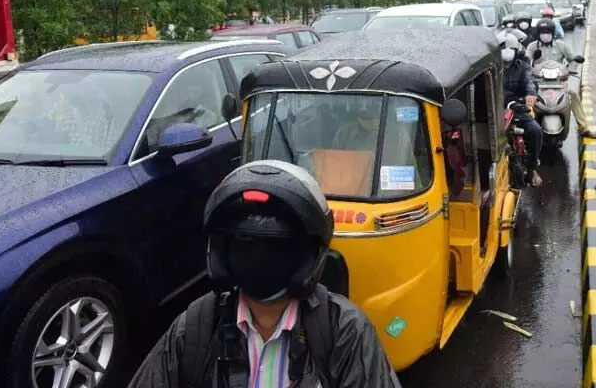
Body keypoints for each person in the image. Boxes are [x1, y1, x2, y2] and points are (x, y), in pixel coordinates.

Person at [128, 160, 401, 388]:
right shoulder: (195, 328)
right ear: (222, 253)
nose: (259, 256)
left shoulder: (344, 331)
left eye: (276, 244)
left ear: (309, 255)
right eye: (246, 240)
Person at [525, 18, 596, 140]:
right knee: (526, 100)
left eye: (548, 31)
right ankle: (526, 130)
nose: (545, 34)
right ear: (538, 33)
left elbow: (573, 58)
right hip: (538, 83)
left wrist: (570, 70)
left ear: (553, 33)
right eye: (542, 32)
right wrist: (528, 71)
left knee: (573, 94)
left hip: (558, 82)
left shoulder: (561, 46)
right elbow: (526, 62)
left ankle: (583, 128)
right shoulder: (532, 47)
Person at [500, 34, 543, 187]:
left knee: (536, 131)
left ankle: (532, 169)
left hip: (517, 108)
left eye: (510, 49)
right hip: (496, 111)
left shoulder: (523, 67)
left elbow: (530, 81)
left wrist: (531, 94)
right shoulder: (492, 68)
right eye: (503, 49)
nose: (506, 52)